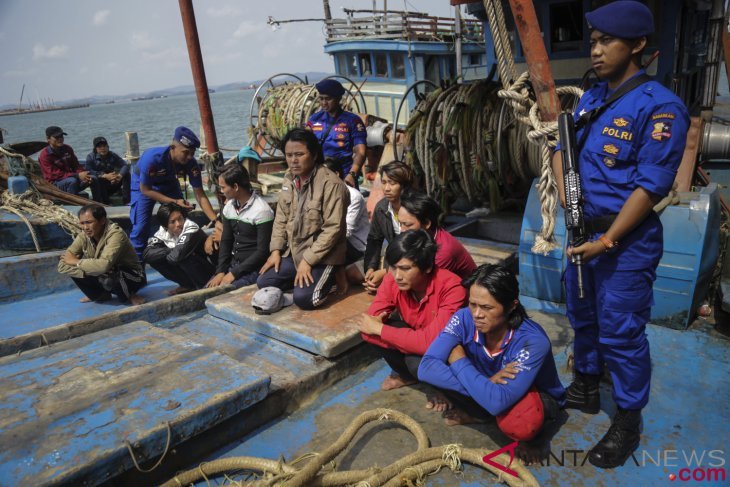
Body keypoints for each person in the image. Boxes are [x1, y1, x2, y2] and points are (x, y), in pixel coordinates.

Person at [551, 1, 690, 469]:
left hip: (624, 244)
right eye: (592, 41)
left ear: (637, 45)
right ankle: (587, 386)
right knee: (582, 315)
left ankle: (628, 419)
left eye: (606, 41)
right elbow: (562, 151)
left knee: (621, 333)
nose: (595, 50)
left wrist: (607, 239)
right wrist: (567, 197)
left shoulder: (660, 107)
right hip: (580, 234)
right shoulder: (591, 97)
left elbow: (652, 186)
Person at [418, 264, 566, 463]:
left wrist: (459, 360)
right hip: (490, 382)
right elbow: (425, 367)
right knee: (416, 363)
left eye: (487, 307)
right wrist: (487, 383)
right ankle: (481, 410)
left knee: (519, 422)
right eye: (473, 304)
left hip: (535, 395)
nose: (477, 314)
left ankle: (533, 436)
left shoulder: (533, 341)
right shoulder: (463, 317)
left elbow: (497, 402)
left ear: (512, 305)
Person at [358, 230, 467, 395]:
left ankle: (446, 393)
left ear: (428, 267)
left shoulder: (452, 288)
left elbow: (432, 343)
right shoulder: (391, 279)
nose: (397, 276)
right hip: (421, 337)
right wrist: (415, 343)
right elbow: (367, 328)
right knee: (373, 335)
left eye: (405, 268)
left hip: (454, 350)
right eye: (393, 267)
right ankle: (410, 375)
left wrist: (380, 329)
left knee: (417, 363)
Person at [258, 128, 349, 310]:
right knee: (264, 282)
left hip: (324, 255)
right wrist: (276, 250)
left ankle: (332, 276)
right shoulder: (289, 179)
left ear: (314, 155)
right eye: (289, 155)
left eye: (299, 154)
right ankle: (309, 281)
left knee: (307, 300)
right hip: (294, 252)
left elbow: (333, 229)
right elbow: (281, 217)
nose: (293, 160)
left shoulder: (331, 185)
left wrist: (308, 260)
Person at [129, 126, 217, 261]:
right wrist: (174, 201)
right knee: (141, 227)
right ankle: (137, 266)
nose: (189, 157)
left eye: (192, 153)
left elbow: (200, 195)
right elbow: (145, 190)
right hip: (144, 184)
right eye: (185, 152)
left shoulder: (191, 163)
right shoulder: (152, 159)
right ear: (172, 147)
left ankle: (188, 255)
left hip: (168, 182)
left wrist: (215, 221)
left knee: (182, 216)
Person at [58, 204, 145, 305]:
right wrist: (87, 270)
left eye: (89, 222)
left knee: (109, 270)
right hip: (104, 276)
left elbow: (104, 265)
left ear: (102, 221)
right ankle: (100, 295)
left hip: (133, 277)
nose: (85, 227)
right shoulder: (83, 236)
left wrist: (77, 262)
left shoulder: (116, 234)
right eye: (82, 223)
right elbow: (62, 265)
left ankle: (130, 295)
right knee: (79, 268)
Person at [207, 164, 274, 288]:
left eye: (223, 187)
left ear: (236, 187)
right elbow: (226, 241)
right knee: (209, 289)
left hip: (253, 269)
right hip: (234, 266)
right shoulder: (229, 207)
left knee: (223, 293)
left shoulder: (262, 210)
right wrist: (221, 271)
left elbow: (262, 252)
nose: (221, 191)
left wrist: (234, 273)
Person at [398, 191, 476, 279]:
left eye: (407, 225)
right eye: (400, 223)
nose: (402, 230)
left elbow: (425, 282)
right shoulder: (424, 237)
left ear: (427, 223)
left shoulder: (443, 252)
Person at [363, 161, 414, 294]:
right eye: (384, 182)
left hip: (415, 261)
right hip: (393, 258)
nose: (386, 188)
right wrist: (371, 268)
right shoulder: (381, 208)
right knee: (355, 274)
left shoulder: (416, 208)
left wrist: (386, 272)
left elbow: (419, 249)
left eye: (392, 183)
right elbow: (374, 239)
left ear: (404, 186)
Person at [143, 203, 215, 295]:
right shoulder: (162, 232)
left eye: (180, 218)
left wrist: (170, 250)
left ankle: (204, 285)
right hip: (186, 266)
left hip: (208, 270)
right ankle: (188, 285)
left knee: (182, 256)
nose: (179, 224)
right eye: (172, 222)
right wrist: (170, 250)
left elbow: (175, 257)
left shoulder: (190, 228)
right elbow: (147, 254)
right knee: (155, 260)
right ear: (165, 226)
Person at [306, 79, 367, 187]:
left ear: (338, 98)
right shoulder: (314, 119)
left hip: (344, 173)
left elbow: (360, 151)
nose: (324, 103)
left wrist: (352, 174)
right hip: (320, 173)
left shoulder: (352, 121)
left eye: (328, 99)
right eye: (321, 98)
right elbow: (304, 144)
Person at [322, 158, 370, 293]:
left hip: (357, 246)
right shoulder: (323, 195)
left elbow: (346, 231)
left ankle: (340, 278)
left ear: (336, 175)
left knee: (333, 241)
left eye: (324, 175)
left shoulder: (354, 196)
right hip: (335, 239)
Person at [39, 126, 102, 201]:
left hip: (71, 178)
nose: (60, 139)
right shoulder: (45, 155)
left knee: (93, 178)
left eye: (61, 136)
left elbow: (76, 166)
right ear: (48, 139)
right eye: (57, 137)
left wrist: (83, 175)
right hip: (55, 185)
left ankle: (99, 203)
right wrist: (77, 175)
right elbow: (54, 175)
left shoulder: (67, 148)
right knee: (72, 181)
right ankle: (73, 206)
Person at [85, 136, 131, 204]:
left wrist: (119, 176)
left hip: (112, 183)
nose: (103, 148)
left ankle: (127, 200)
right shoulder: (90, 157)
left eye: (105, 146)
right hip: (100, 188)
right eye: (100, 147)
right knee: (97, 178)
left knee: (126, 174)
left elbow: (125, 165)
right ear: (95, 149)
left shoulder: (112, 155)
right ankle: (106, 202)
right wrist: (104, 175)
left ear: (108, 147)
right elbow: (88, 171)